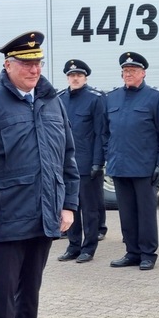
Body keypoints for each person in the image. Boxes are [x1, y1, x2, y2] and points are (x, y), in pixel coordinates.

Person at [0, 31, 78, 318]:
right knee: (4, 298)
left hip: (44, 216)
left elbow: (68, 156)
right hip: (7, 218)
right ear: (8, 65)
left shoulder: (51, 101)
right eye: (27, 63)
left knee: (30, 296)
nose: (34, 69)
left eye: (38, 62)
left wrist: (68, 204)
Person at [105, 52, 159, 271]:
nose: (128, 74)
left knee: (145, 214)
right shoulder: (112, 97)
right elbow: (105, 132)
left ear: (143, 73)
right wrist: (108, 155)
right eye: (125, 71)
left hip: (144, 167)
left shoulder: (155, 98)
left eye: (133, 71)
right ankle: (132, 252)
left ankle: (148, 254)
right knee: (126, 213)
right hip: (119, 166)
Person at [57, 59, 106, 264]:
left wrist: (98, 162)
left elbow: (101, 133)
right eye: (71, 75)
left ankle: (89, 247)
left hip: (87, 164)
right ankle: (73, 246)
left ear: (85, 77)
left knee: (90, 209)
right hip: (66, 165)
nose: (75, 78)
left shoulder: (95, 99)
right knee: (70, 206)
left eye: (79, 75)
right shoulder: (60, 99)